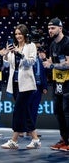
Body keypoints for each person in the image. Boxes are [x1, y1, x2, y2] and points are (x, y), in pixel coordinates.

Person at [1, 24, 41, 149]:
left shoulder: (31, 46)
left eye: (20, 33)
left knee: (18, 111)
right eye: (16, 34)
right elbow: (7, 65)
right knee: (26, 112)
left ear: (25, 34)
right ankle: (35, 139)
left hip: (27, 85)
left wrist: (20, 54)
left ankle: (14, 140)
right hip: (14, 84)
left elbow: (31, 62)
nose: (18, 36)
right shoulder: (14, 47)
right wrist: (6, 54)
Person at [43, 17, 69, 151]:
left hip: (68, 83)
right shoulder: (53, 44)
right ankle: (64, 140)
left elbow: (68, 64)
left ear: (60, 28)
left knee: (67, 112)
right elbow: (50, 62)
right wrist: (45, 60)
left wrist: (51, 64)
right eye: (48, 28)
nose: (50, 30)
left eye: (53, 28)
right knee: (58, 112)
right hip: (57, 83)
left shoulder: (67, 42)